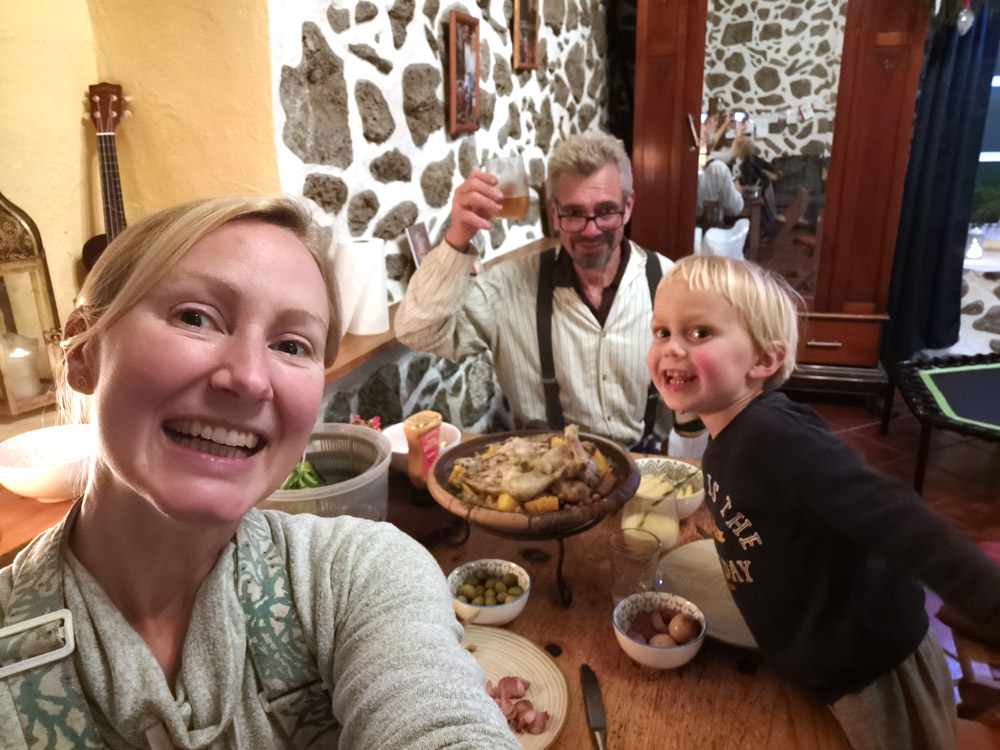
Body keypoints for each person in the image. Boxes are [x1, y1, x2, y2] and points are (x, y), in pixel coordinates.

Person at [0, 196, 521, 749]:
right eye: (195, 318)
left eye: (291, 345)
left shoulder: (358, 575)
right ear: (83, 351)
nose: (249, 379)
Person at [646, 253, 1000, 750]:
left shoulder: (773, 437)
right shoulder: (728, 437)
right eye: (662, 331)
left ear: (764, 361)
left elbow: (899, 519)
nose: (672, 348)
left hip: (870, 666)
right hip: (815, 660)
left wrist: (991, 602)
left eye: (699, 332)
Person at [396, 131, 684, 452]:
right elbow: (417, 331)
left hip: (642, 465)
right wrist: (457, 238)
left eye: (606, 211)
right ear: (554, 214)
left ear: (627, 207)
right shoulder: (507, 286)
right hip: (542, 469)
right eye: (574, 213)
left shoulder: (669, 282)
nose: (591, 230)